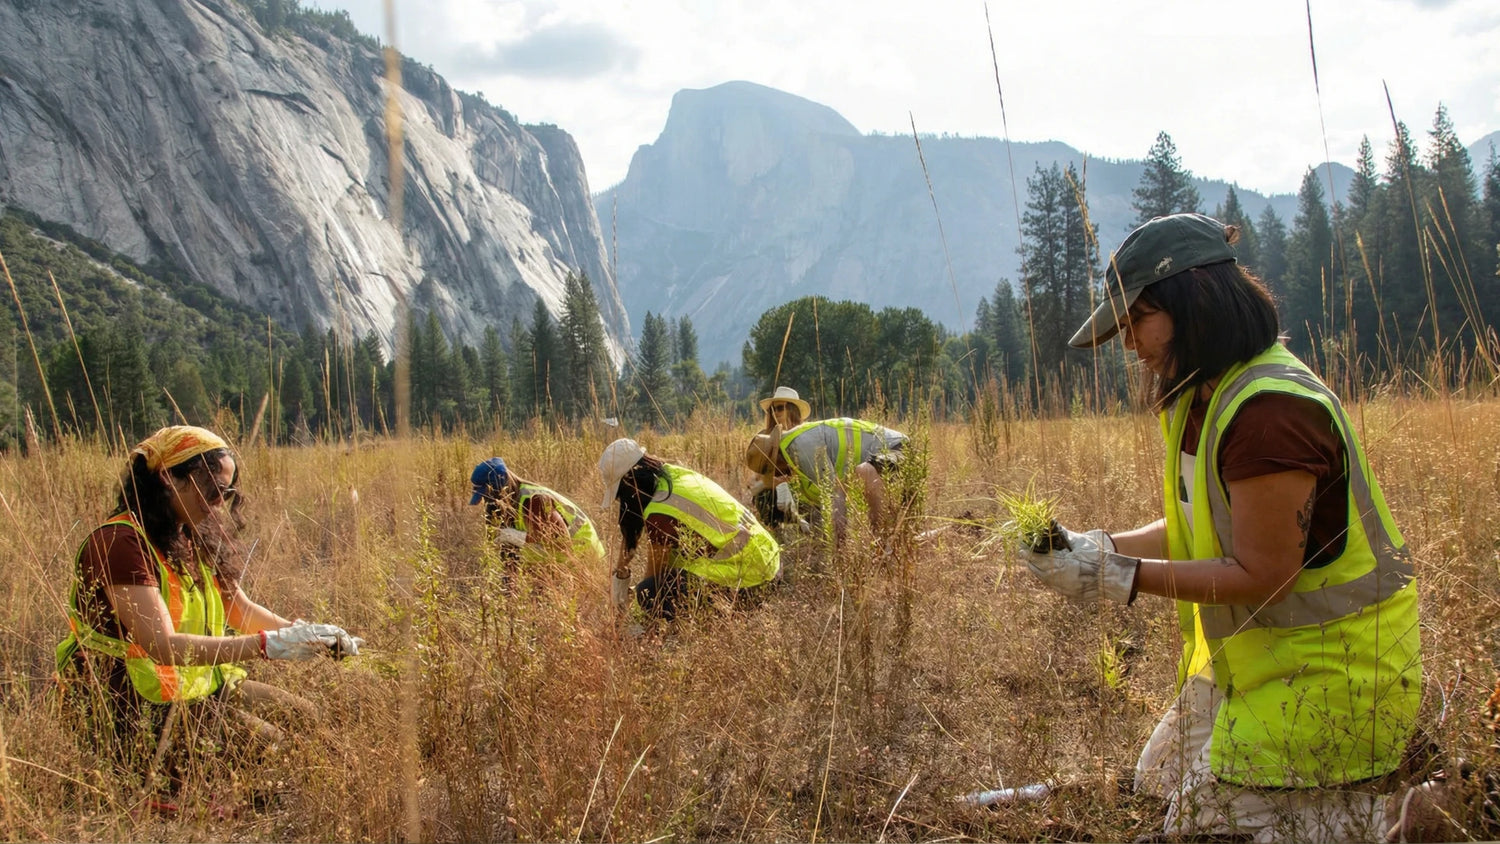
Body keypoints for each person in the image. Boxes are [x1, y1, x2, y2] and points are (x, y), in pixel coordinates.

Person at [1017, 214, 1422, 842]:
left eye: (1136, 321)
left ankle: (1420, 818)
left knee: (1202, 823)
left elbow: (1265, 573)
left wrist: (1114, 578)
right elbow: (1201, 530)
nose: (1130, 345)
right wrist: (1100, 547)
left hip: (1337, 680)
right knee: (1158, 783)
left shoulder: (1269, 411)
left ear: (1194, 302)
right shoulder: (1204, 395)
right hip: (1258, 665)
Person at [55, 426, 361, 781]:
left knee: (310, 716)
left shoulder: (191, 533)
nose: (219, 503)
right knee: (278, 755)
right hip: (133, 707)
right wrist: (267, 646)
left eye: (226, 492)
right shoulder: (119, 543)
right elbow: (163, 647)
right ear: (170, 478)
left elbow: (240, 610)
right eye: (212, 490)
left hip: (197, 688)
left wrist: (308, 635)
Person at [598, 438, 780, 620]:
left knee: (650, 591)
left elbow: (654, 577)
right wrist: (620, 574)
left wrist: (633, 614)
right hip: (770, 564)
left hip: (752, 581)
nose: (622, 502)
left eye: (620, 494)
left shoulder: (659, 511)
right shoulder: (675, 476)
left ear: (630, 484)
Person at [745, 418, 907, 546]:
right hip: (885, 458)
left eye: (772, 471)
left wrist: (838, 547)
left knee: (865, 472)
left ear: (776, 459)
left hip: (898, 448)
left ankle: (882, 539)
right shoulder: (793, 449)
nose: (777, 475)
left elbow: (834, 497)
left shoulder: (802, 448)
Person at [467, 456, 606, 569]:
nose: (487, 502)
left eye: (487, 496)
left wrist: (517, 537)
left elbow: (563, 545)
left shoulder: (534, 502)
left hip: (585, 561)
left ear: (500, 488)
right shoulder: (509, 507)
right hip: (560, 566)